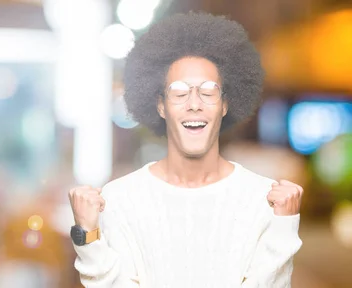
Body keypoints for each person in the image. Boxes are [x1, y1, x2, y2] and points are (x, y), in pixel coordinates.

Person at [68, 12, 303, 287]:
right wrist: (88, 234)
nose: (194, 103)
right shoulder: (119, 199)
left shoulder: (265, 199)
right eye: (179, 92)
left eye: (208, 91)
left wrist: (284, 226)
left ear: (225, 105)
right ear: (160, 105)